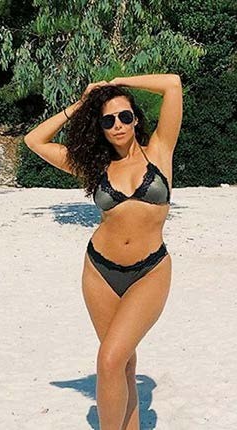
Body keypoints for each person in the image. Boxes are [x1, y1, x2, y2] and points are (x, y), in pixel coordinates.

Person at [24, 74, 183, 430]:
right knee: (122, 363)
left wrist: (116, 82)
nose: (118, 125)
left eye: (124, 116)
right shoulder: (94, 165)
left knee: (109, 360)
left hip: (150, 272)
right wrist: (84, 103)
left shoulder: (160, 150)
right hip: (99, 272)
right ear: (100, 127)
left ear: (136, 118)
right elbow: (34, 140)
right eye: (108, 120)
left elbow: (172, 84)